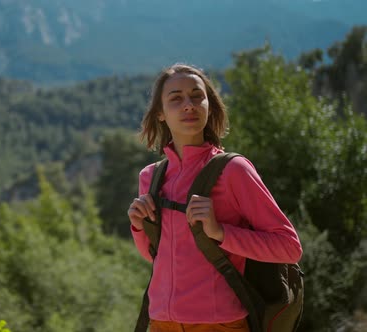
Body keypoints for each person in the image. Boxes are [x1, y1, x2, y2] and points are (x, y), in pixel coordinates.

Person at [127, 64, 303, 332]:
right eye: (176, 98)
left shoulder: (234, 170)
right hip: (162, 322)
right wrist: (139, 227)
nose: (189, 105)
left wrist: (220, 232)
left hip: (220, 323)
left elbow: (289, 248)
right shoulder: (150, 178)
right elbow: (156, 258)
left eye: (197, 96)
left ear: (209, 106)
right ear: (160, 114)